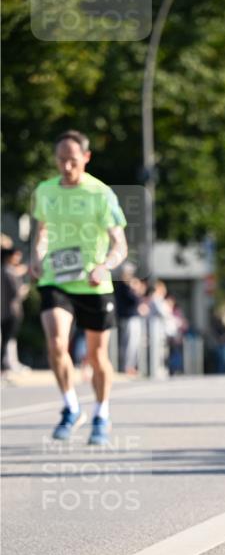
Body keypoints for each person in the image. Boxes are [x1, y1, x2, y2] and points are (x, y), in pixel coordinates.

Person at [31, 130, 127, 445]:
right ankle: (71, 407)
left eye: (72, 160)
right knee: (57, 342)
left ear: (86, 158)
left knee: (98, 357)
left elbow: (120, 246)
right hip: (56, 280)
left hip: (93, 284)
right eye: (61, 160)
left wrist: (105, 266)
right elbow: (42, 231)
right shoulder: (45, 191)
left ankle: (101, 412)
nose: (66, 167)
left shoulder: (101, 194)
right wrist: (36, 255)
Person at [1, 246, 29, 372]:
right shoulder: (9, 272)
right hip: (11, 311)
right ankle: (7, 365)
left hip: (5, 311)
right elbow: (18, 292)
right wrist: (26, 287)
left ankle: (8, 364)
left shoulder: (6, 271)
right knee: (8, 339)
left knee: (8, 339)